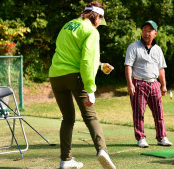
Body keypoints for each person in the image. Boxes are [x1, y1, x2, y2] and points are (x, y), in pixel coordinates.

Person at [49, 1, 116, 169]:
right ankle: (102, 151)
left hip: (56, 76)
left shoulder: (68, 25)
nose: (100, 23)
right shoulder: (91, 32)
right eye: (101, 19)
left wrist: (100, 65)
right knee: (90, 116)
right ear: (97, 16)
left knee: (68, 118)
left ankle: (66, 160)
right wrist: (91, 89)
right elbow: (86, 61)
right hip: (75, 77)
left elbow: (73, 53)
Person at [124, 20, 172, 148]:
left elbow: (161, 68)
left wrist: (164, 85)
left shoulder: (157, 49)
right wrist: (130, 84)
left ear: (155, 33)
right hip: (138, 83)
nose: (146, 33)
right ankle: (141, 138)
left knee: (159, 113)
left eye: (149, 30)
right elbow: (128, 66)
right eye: (144, 30)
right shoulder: (133, 47)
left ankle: (162, 137)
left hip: (154, 84)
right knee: (139, 113)